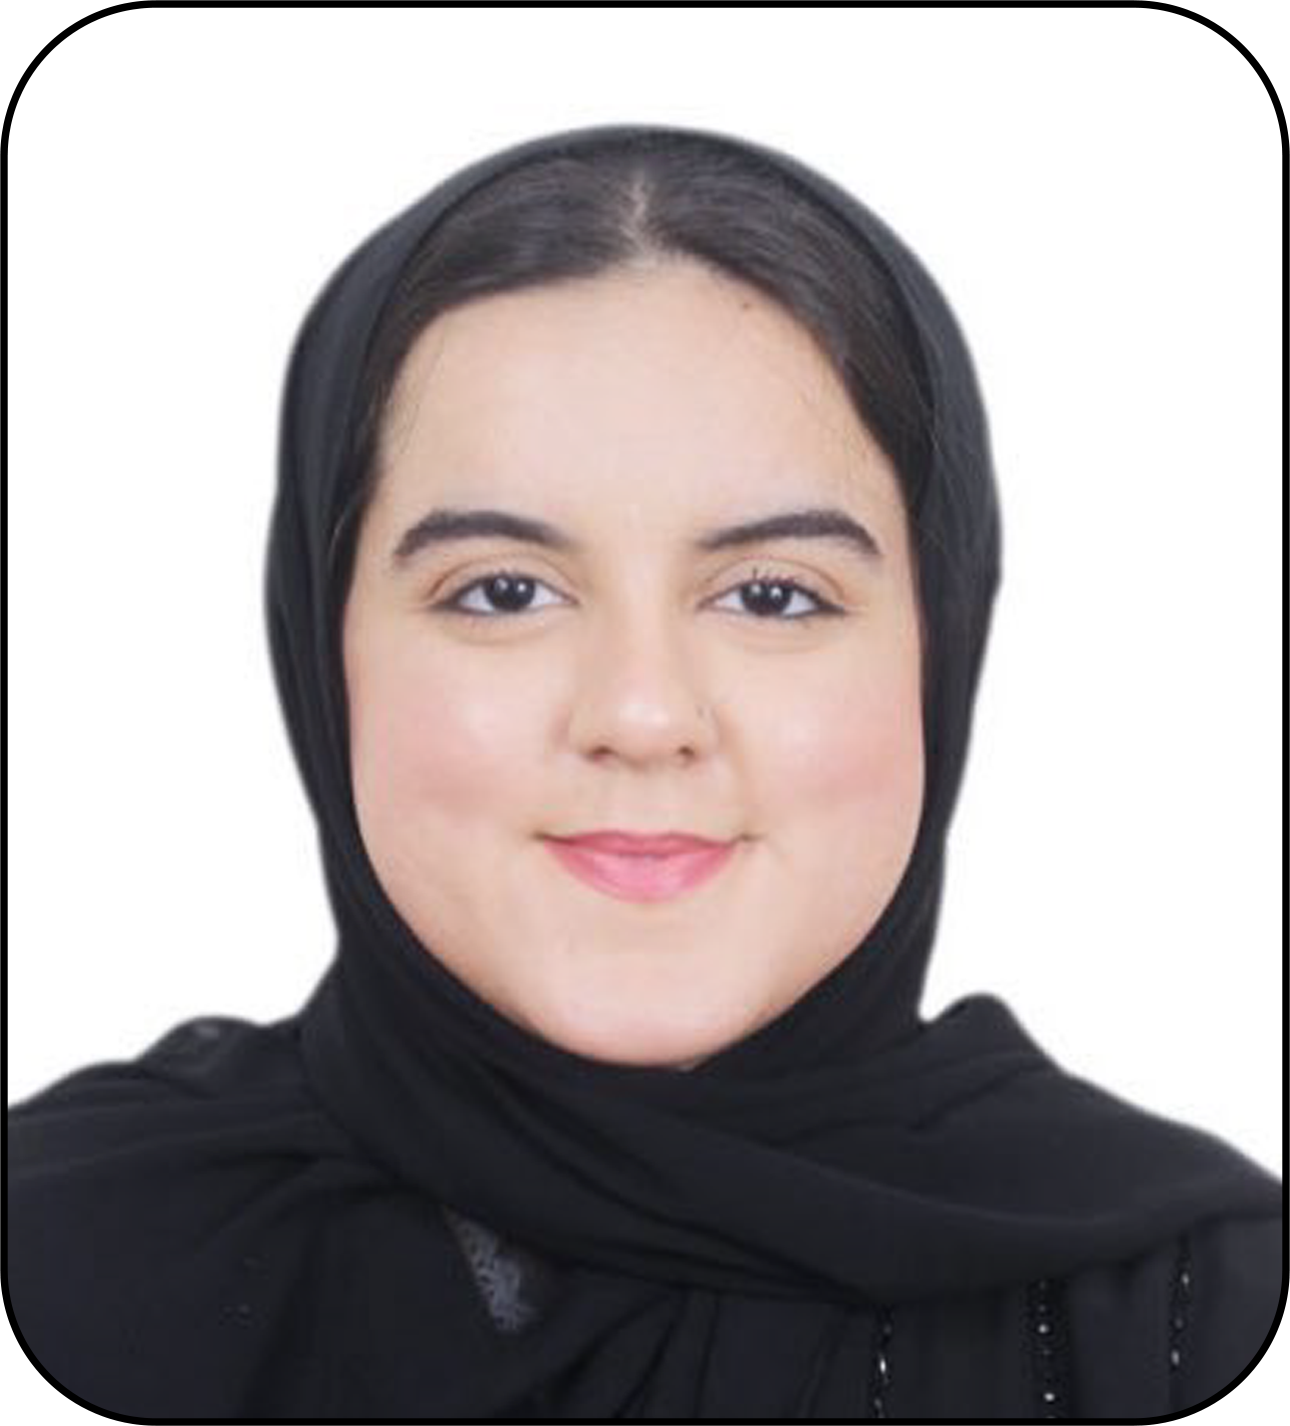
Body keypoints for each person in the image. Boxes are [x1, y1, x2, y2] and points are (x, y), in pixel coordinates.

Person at [8, 122, 1281, 1419]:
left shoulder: (1208, 1314)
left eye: (772, 595)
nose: (641, 712)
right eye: (504, 591)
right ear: (321, 649)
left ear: (939, 649)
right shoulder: (57, 1256)